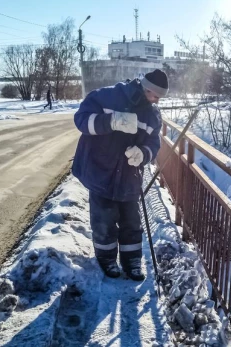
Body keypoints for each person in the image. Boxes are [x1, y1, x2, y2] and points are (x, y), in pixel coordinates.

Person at [72, 69, 169, 281]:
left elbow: (153, 142)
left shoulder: (152, 115)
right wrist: (111, 121)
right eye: (155, 96)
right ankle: (106, 258)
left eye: (160, 98)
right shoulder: (107, 96)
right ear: (146, 88)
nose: (157, 101)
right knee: (103, 220)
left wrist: (142, 153)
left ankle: (132, 261)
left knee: (132, 221)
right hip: (101, 170)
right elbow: (80, 120)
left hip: (129, 175)